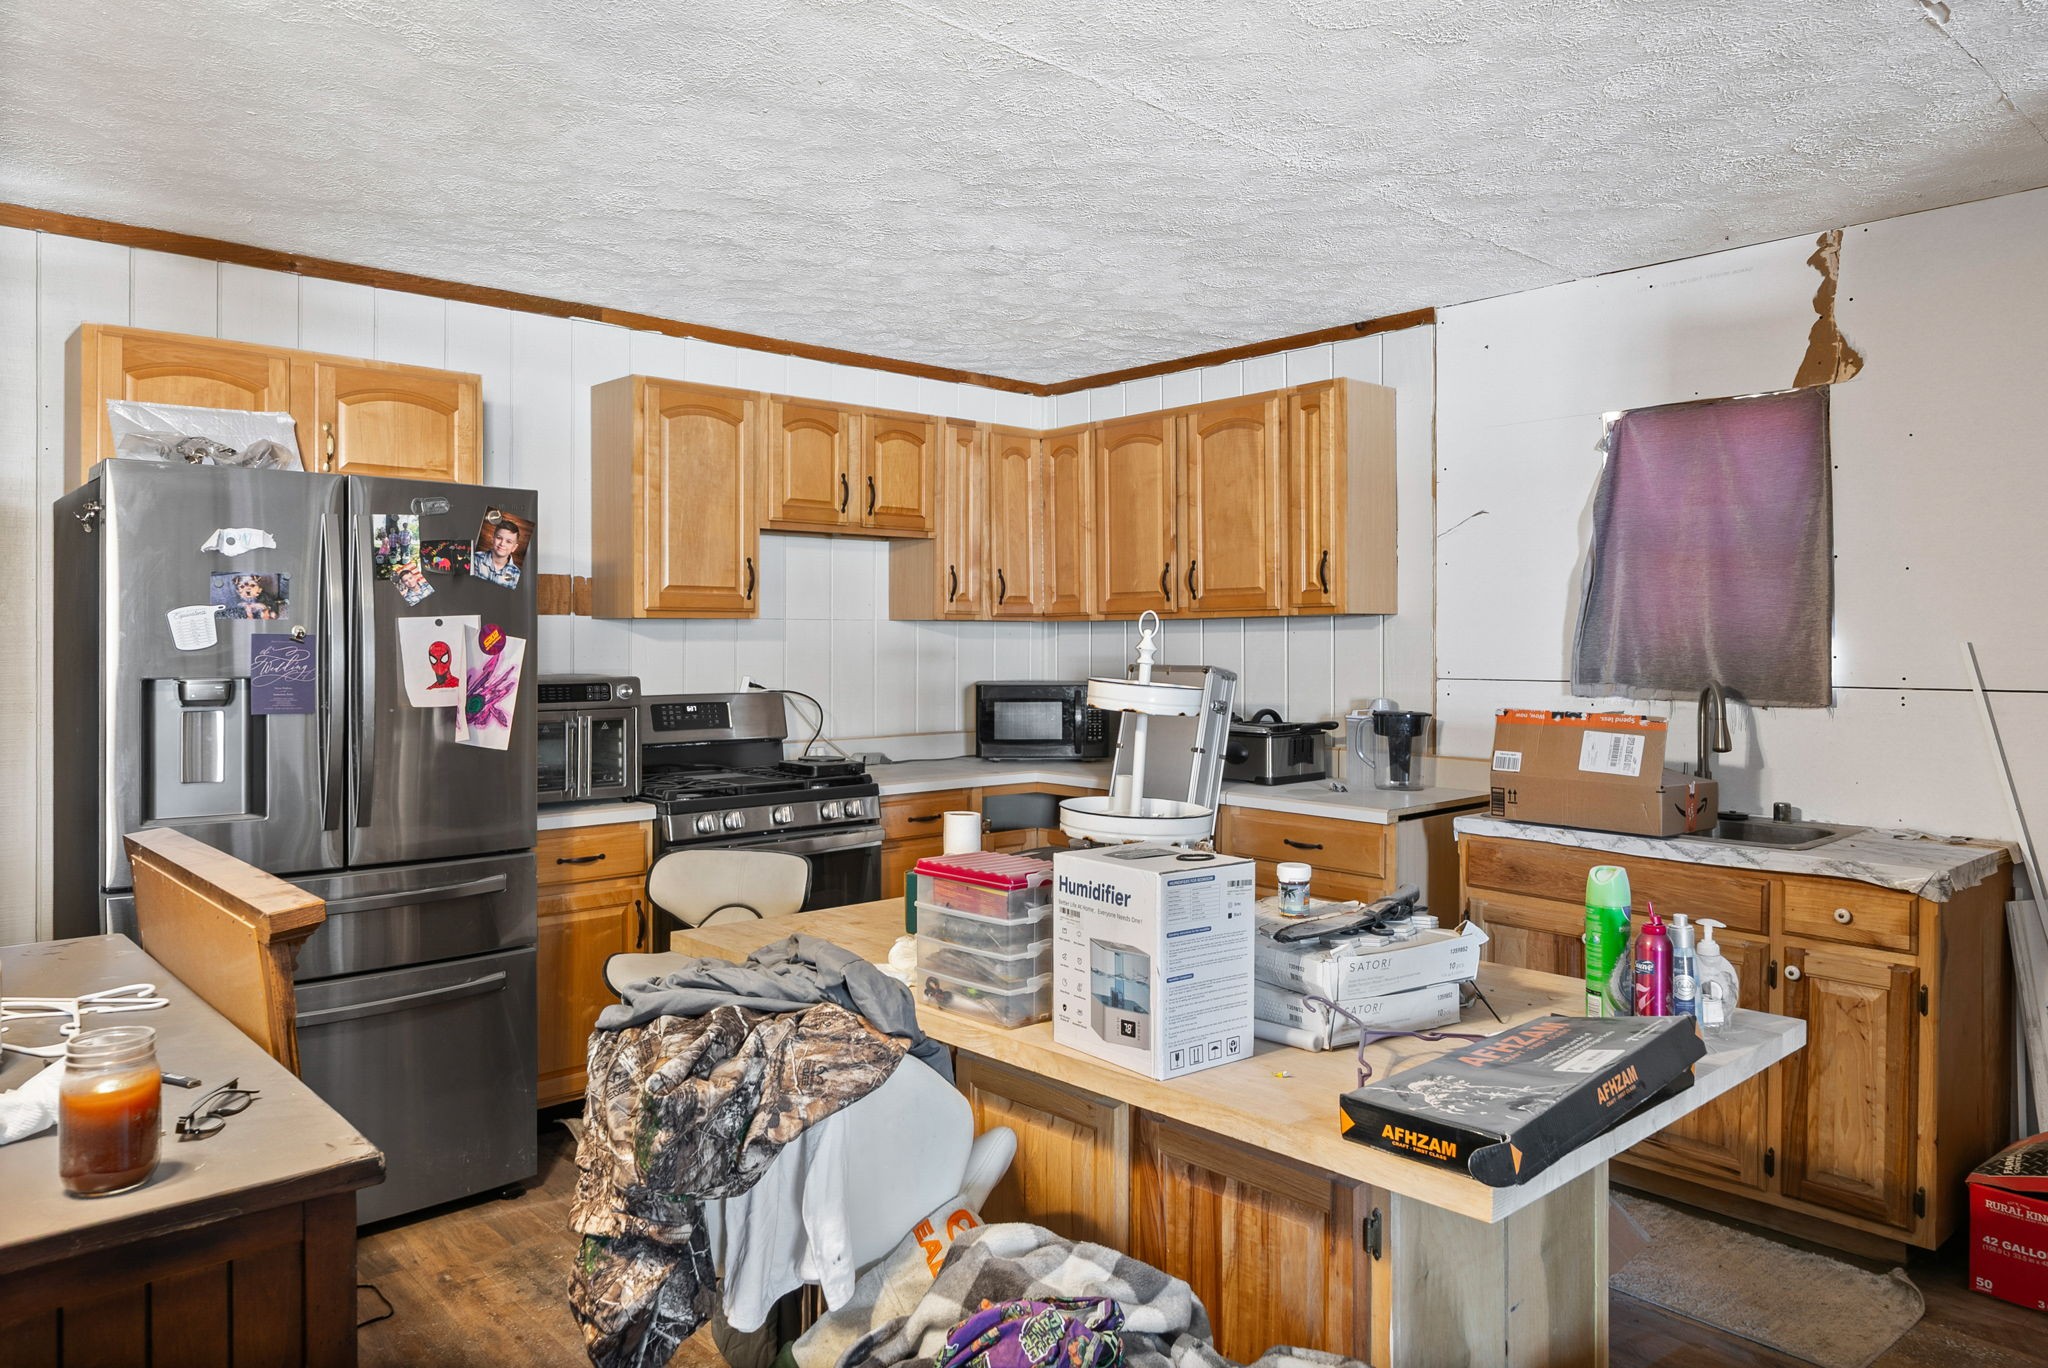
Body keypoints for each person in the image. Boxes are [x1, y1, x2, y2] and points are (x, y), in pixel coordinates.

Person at [471, 518, 523, 588]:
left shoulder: (517, 575)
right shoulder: (474, 559)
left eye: (508, 541)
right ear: (493, 539)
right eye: (499, 538)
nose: (502, 544)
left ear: (514, 548)